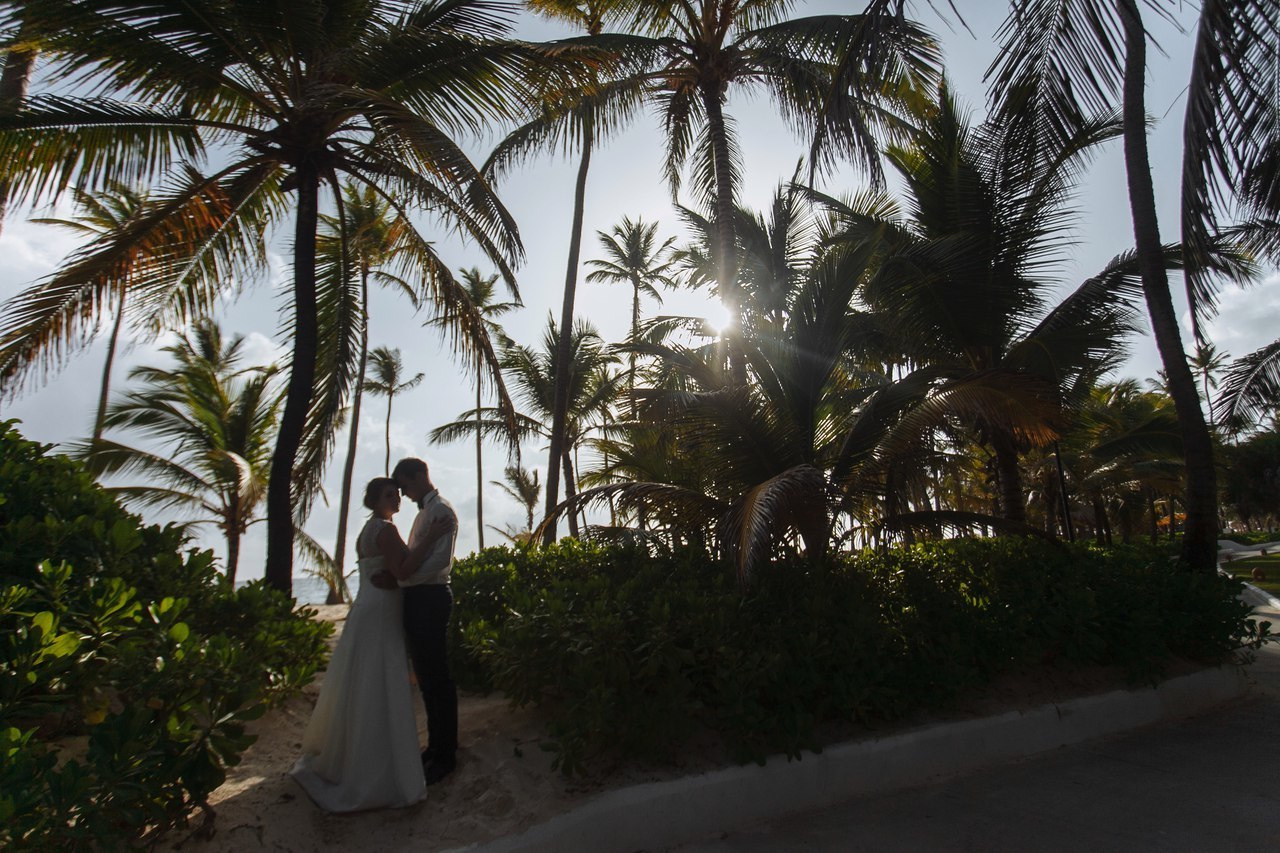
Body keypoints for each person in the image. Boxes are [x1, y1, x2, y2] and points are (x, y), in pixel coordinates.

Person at [290, 478, 436, 812]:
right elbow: (403, 569)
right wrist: (432, 537)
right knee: (379, 680)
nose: (397, 498)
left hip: (367, 606)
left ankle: (350, 757)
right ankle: (376, 771)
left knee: (364, 679)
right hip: (382, 609)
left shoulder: (368, 530)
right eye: (390, 494)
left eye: (398, 493)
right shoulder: (385, 529)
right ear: (374, 500)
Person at [387, 456, 459, 786]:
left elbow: (437, 564)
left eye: (406, 484)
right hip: (419, 598)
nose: (404, 492)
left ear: (421, 476)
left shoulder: (441, 511)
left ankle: (447, 755)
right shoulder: (424, 515)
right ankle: (436, 746)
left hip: (431, 597)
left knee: (438, 678)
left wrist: (403, 582)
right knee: (427, 680)